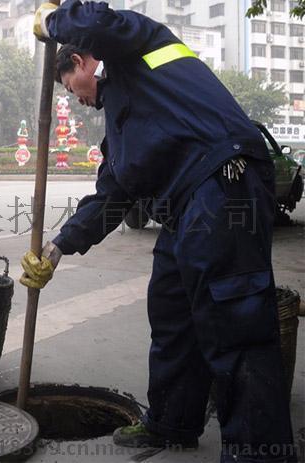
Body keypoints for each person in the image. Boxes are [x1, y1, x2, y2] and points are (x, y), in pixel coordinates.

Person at [23, 2, 296, 462]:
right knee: (172, 312)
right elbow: (113, 195)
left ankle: (258, 454)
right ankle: (172, 423)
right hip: (184, 208)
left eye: (71, 89)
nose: (77, 99)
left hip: (223, 183)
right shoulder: (122, 121)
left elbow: (93, 20)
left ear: (80, 61)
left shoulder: (137, 46)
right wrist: (55, 249)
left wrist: (51, 21)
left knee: (236, 322)